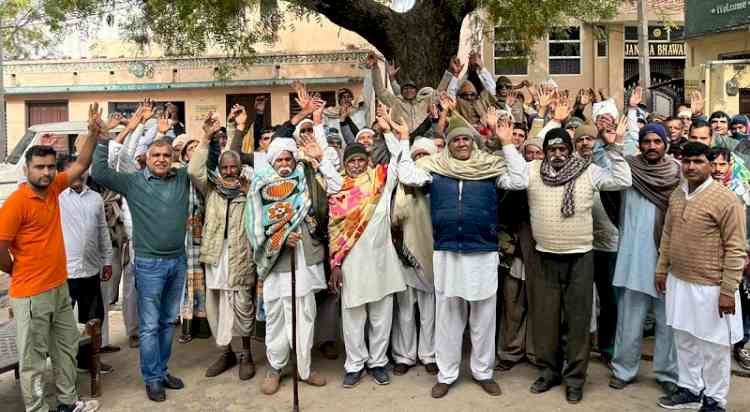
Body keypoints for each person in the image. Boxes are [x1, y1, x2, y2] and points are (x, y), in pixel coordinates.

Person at [398, 114, 527, 398]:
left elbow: (520, 179)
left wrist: (507, 143)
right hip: (447, 252)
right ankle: (447, 374)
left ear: (473, 142)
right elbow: (406, 174)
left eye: (465, 139)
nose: (460, 143)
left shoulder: (489, 167)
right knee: (449, 317)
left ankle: (483, 372)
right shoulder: (436, 167)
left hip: (482, 251)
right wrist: (403, 139)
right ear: (448, 144)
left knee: (483, 317)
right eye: (455, 139)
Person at [0, 103, 100, 412]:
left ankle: (68, 404)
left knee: (66, 348)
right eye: (39, 167)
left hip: (59, 287)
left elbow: (82, 163)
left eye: (49, 167)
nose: (46, 172)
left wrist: (93, 134)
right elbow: (0, 248)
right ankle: (37, 409)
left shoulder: (55, 188)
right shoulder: (17, 203)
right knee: (33, 360)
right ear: (27, 169)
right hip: (30, 294)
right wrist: (18, 272)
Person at [525, 127, 632, 404]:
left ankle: (574, 379)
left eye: (563, 149)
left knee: (578, 320)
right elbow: (509, 176)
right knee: (546, 320)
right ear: (546, 151)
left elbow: (622, 180)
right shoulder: (533, 170)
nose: (558, 154)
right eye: (552, 149)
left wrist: (615, 147)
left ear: (570, 150)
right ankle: (549, 372)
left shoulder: (589, 171)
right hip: (545, 256)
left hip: (581, 257)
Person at [92, 111, 191, 402]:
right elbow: (100, 173)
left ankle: (160, 371)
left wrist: (209, 139)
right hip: (149, 264)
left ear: (172, 157)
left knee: (168, 320)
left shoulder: (182, 178)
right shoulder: (134, 182)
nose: (160, 159)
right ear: (147, 158)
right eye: (155, 154)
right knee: (149, 324)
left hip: (178, 261)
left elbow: (204, 164)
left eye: (165, 154)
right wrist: (101, 138)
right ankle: (151, 378)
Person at [655, 142, 746, 412]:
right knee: (684, 339)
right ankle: (690, 390)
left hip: (713, 288)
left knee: (714, 348)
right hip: (679, 281)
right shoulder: (678, 194)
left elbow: (736, 247)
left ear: (710, 164)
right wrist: (662, 269)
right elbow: (668, 235)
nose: (691, 167)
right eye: (687, 161)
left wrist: (729, 290)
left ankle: (715, 400)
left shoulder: (726, 200)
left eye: (698, 161)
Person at [247, 136, 340, 394]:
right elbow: (254, 225)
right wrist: (281, 237)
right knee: (276, 315)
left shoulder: (306, 177)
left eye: (289, 158)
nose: (285, 163)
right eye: (280, 159)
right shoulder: (260, 184)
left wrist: (320, 159)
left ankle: (304, 368)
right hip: (277, 260)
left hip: (305, 258)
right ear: (272, 161)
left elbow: (336, 187)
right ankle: (275, 368)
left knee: (305, 313)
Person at [328, 108, 408, 388]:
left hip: (382, 261)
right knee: (353, 319)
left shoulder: (380, 183)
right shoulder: (337, 189)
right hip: (351, 264)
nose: (357, 165)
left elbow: (400, 160)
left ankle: (377, 363)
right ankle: (354, 364)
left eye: (362, 160)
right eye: (352, 161)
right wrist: (335, 264)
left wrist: (390, 132)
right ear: (345, 164)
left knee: (381, 317)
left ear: (369, 161)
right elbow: (334, 232)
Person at [607, 123, 680, 395]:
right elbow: (610, 199)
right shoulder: (628, 169)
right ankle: (623, 370)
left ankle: (667, 373)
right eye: (647, 141)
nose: (651, 146)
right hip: (634, 256)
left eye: (656, 141)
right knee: (629, 319)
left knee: (667, 322)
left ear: (665, 144)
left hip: (668, 259)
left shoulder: (677, 173)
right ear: (640, 144)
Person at [188, 117, 257, 381]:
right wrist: (205, 138)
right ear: (219, 169)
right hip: (216, 255)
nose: (229, 171)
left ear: (240, 168)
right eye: (225, 167)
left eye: (233, 167)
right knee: (217, 307)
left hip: (240, 256)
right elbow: (194, 170)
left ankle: (246, 354)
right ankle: (226, 352)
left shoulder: (249, 191)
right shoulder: (212, 189)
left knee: (242, 305)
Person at [59, 158, 115, 374]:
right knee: (63, 323)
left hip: (91, 270)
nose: (78, 174)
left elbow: (102, 230)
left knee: (93, 319)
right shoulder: (56, 197)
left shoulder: (95, 198)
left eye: (81, 170)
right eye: (72, 171)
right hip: (64, 272)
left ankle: (88, 361)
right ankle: (64, 365)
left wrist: (107, 260)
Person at [390, 137, 439, 376]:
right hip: (404, 252)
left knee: (429, 309)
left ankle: (429, 354)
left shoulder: (437, 183)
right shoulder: (399, 186)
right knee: (405, 308)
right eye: (416, 155)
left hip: (431, 254)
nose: (421, 160)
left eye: (425, 155)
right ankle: (405, 355)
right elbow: (393, 220)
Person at [574, 124, 619, 364]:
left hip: (607, 243)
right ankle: (578, 346)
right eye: (580, 139)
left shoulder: (608, 164)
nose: (585, 143)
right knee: (579, 300)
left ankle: (607, 345)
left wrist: (615, 145)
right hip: (578, 243)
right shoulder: (568, 166)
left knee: (609, 299)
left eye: (590, 139)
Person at [708, 147, 750, 372]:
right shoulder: (699, 189)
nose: (717, 169)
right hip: (708, 261)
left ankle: (740, 346)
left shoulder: (740, 190)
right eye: (713, 164)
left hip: (736, 256)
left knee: (740, 301)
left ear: (730, 166)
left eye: (722, 164)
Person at [369, 53, 451, 132]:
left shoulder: (425, 101)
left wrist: (450, 71)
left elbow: (439, 92)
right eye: (405, 89)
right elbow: (380, 90)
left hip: (423, 138)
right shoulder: (396, 102)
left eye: (411, 88)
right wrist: (375, 67)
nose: (408, 91)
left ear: (416, 91)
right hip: (402, 138)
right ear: (401, 92)